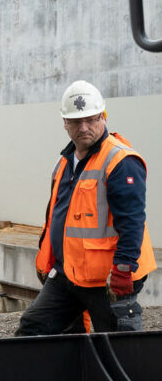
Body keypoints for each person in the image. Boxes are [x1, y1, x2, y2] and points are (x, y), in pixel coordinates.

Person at [16, 80, 156, 335]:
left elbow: (132, 220)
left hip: (108, 280)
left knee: (116, 348)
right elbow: (58, 217)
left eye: (91, 120)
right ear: (65, 123)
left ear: (103, 116)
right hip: (68, 275)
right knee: (33, 329)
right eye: (76, 122)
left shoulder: (120, 161)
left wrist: (124, 270)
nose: (84, 128)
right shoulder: (64, 162)